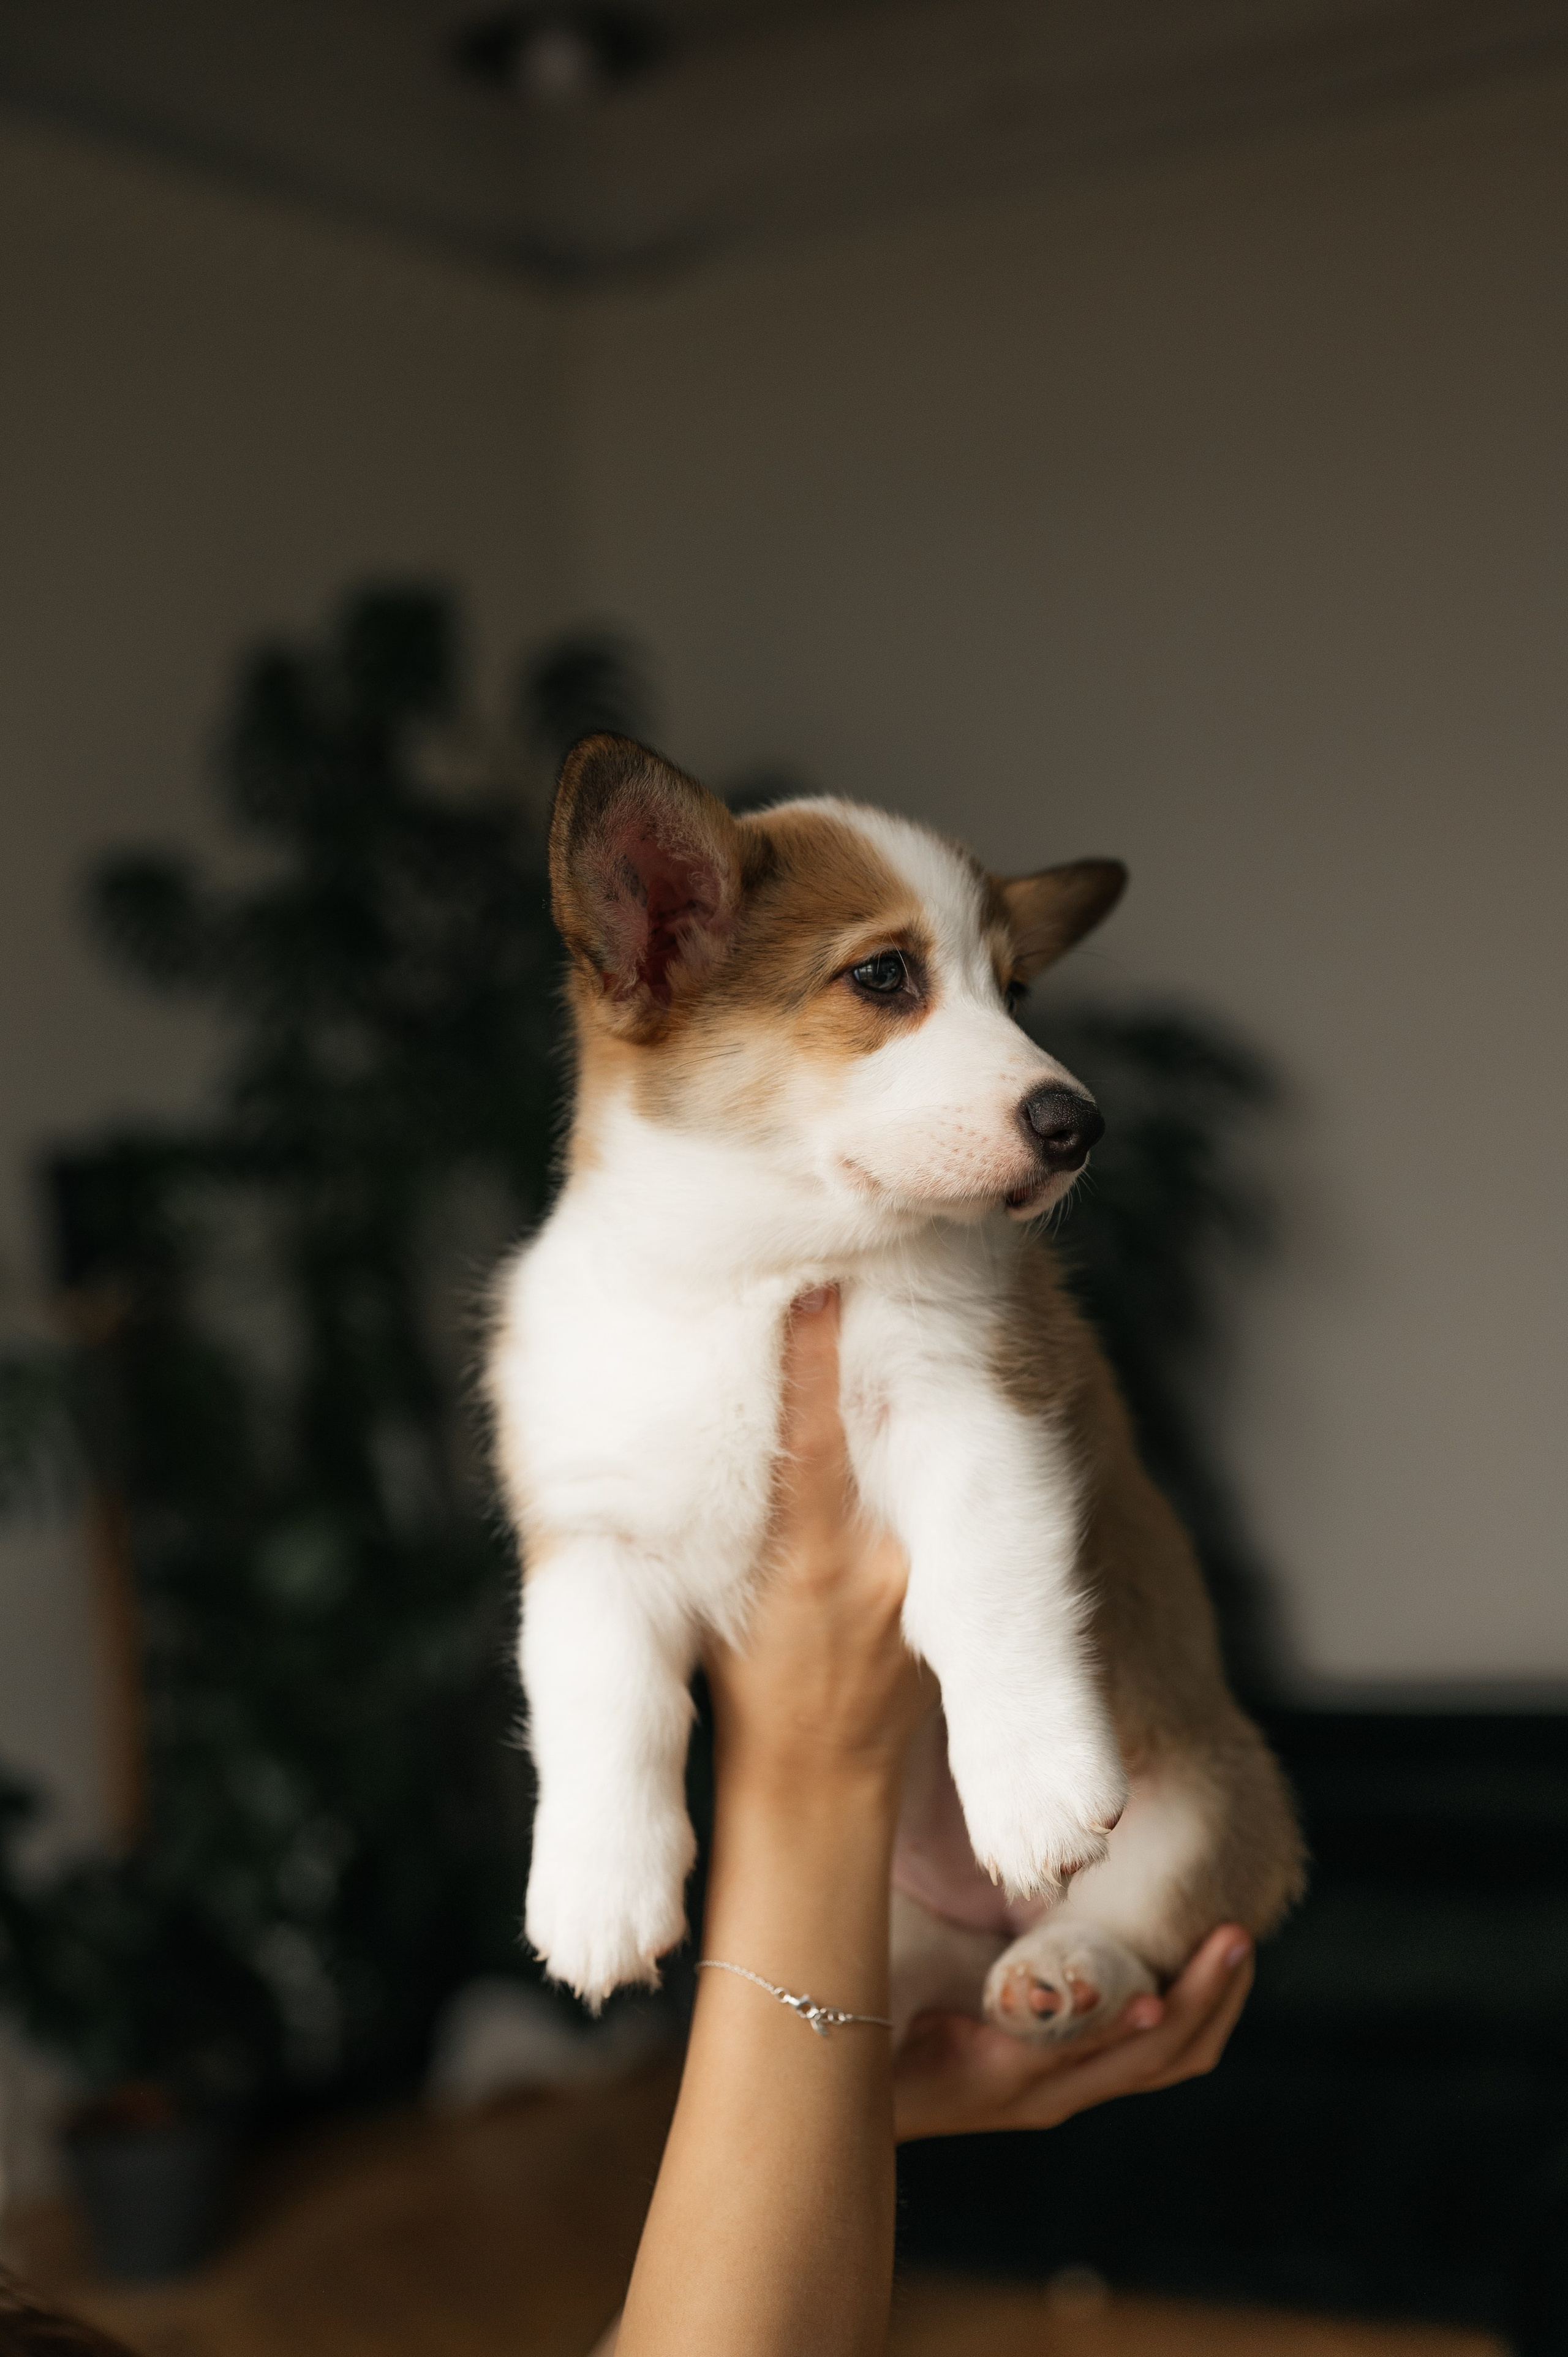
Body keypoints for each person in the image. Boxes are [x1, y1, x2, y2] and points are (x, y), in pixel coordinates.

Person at [609, 1288, 1255, 2357]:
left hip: (1100, 1788)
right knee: (892, 1958)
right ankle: (1033, 1962)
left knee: (1188, 1815)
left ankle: (1101, 1945)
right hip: (897, 1848)